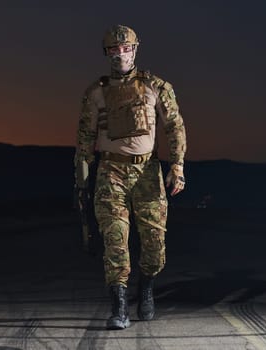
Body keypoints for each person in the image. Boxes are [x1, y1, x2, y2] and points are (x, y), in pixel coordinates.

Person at [74, 24, 187, 330]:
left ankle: (147, 287)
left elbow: (174, 126)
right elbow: (85, 137)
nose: (120, 55)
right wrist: (81, 177)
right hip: (110, 171)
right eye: (113, 50)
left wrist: (177, 166)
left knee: (154, 243)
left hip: (148, 171)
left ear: (135, 50)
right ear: (106, 53)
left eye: (125, 49)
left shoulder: (156, 87)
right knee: (115, 241)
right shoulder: (96, 92)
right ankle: (119, 306)